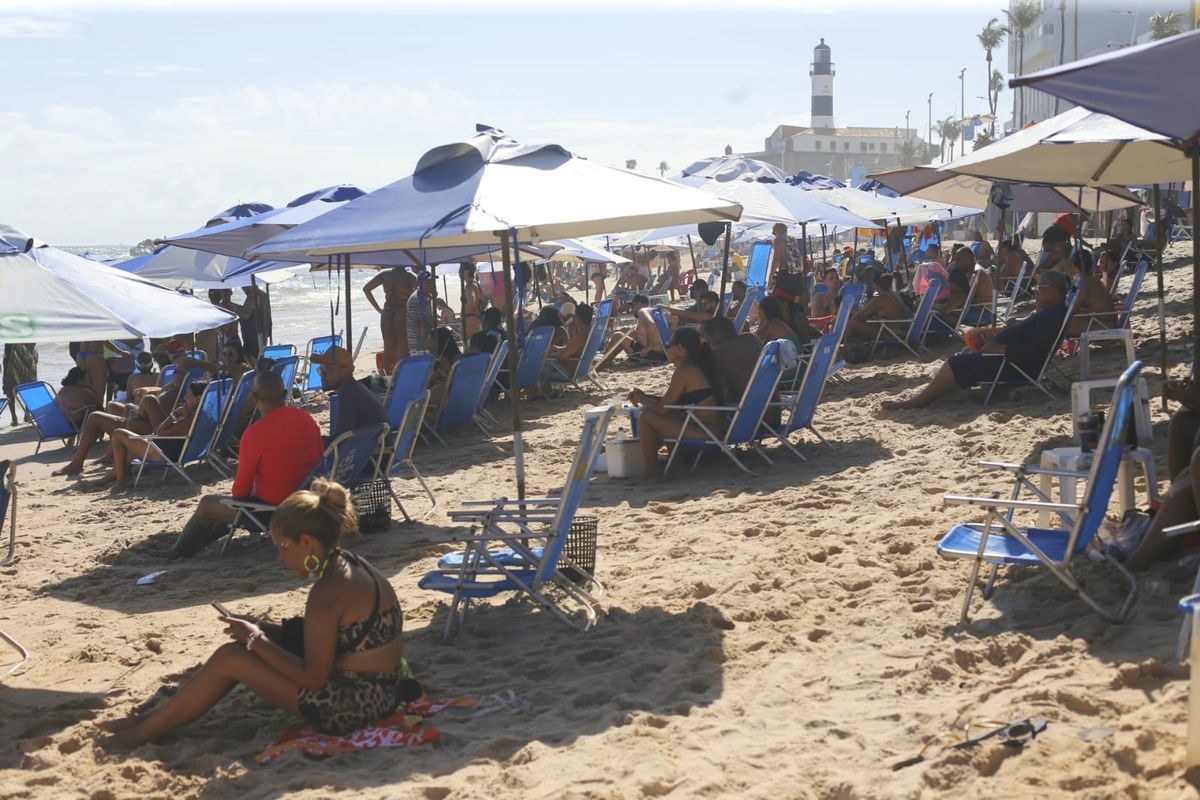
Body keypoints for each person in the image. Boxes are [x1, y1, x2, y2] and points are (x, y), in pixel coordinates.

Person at [98, 479, 408, 748]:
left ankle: (142, 734)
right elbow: (337, 640)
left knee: (231, 658)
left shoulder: (326, 594)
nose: (280, 557)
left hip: (357, 704)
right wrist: (266, 630)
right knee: (239, 652)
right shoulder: (351, 564)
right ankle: (151, 720)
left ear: (307, 542)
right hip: (384, 687)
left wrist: (256, 640)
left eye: (283, 547)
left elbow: (313, 678)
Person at [155, 372, 324, 559]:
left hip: (276, 512)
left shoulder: (255, 433)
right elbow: (319, 457)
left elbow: (240, 492)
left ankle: (177, 552)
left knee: (208, 504)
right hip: (309, 502)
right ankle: (195, 547)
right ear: (284, 393)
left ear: (255, 397)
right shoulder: (305, 419)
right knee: (228, 508)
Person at [881, 271, 1070, 409]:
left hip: (1011, 366)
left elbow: (1036, 352)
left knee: (953, 363)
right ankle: (940, 393)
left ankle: (915, 403)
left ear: (1054, 291)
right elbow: (1035, 342)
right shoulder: (1051, 313)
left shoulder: (1052, 316)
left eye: (1040, 288)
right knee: (963, 355)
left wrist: (1002, 350)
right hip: (1008, 363)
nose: (1036, 292)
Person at [626, 327, 723, 478]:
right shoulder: (699, 365)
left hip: (706, 432)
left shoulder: (685, 371)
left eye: (667, 345)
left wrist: (641, 399)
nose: (666, 349)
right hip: (711, 427)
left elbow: (662, 409)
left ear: (679, 349)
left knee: (647, 416)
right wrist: (645, 396)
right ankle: (676, 465)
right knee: (665, 415)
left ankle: (651, 471)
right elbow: (671, 402)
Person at [86, 381, 207, 493]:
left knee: (118, 434)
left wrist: (173, 415)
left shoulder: (190, 419)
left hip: (164, 453)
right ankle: (113, 477)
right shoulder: (203, 416)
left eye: (188, 395)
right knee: (131, 438)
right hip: (176, 449)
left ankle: (120, 482)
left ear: (198, 398)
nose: (185, 398)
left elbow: (160, 431)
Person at [311, 346, 386, 440]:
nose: (323, 375)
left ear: (345, 370)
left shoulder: (349, 396)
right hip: (374, 449)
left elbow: (340, 441)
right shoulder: (354, 389)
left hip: (368, 452)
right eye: (320, 370)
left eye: (328, 369)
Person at [364, 267, 418, 370]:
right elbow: (421, 292)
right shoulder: (409, 276)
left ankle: (384, 380)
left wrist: (378, 309)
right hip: (402, 312)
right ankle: (399, 379)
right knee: (401, 352)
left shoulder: (385, 274)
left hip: (387, 313)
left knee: (387, 352)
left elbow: (366, 289)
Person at [700, 315, 763, 401]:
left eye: (708, 341)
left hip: (744, 409)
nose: (709, 346)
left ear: (716, 333)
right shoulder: (751, 338)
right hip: (770, 405)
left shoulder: (720, 352)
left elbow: (699, 377)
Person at [1061, 249, 1115, 335]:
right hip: (1101, 322)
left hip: (1102, 326)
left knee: (1059, 322)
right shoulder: (1090, 279)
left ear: (1073, 266)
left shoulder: (1084, 282)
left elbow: (1071, 310)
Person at [845, 272, 910, 342]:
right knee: (862, 320)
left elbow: (860, 316)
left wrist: (851, 311)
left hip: (895, 334)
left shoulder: (883, 298)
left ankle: (849, 349)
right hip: (902, 331)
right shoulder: (893, 294)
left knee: (852, 322)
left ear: (875, 285)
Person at [2, 343, 37, 426]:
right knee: (28, 385)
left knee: (12, 387)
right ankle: (21, 416)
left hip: (25, 355)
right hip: (22, 355)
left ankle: (18, 417)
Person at [405, 276, 438, 356]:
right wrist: (433, 331)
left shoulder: (426, 297)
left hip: (426, 343)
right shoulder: (417, 300)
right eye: (429, 283)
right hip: (418, 345)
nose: (433, 285)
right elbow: (418, 326)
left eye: (433, 282)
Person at [239, 284, 272, 360]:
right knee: (257, 358)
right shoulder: (263, 294)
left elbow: (245, 314)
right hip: (261, 336)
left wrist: (232, 306)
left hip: (253, 337)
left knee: (251, 360)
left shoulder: (254, 295)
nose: (242, 289)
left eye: (244, 286)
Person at [458, 262, 485, 341]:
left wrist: (464, 313)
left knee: (470, 348)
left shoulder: (470, 286)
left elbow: (471, 300)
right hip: (476, 318)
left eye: (460, 270)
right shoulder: (476, 284)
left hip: (470, 320)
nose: (459, 273)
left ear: (466, 271)